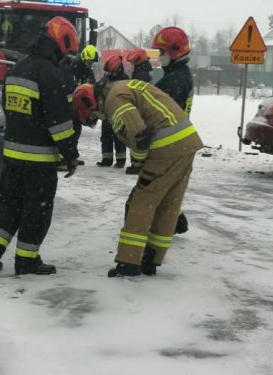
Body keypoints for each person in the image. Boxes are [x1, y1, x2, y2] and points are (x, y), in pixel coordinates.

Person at [0, 17, 80, 275]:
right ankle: (26, 260)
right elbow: (59, 123)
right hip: (40, 160)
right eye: (65, 54)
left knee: (11, 204)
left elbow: (8, 109)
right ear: (59, 46)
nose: (65, 59)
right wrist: (70, 154)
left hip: (12, 155)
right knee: (38, 210)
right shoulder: (52, 75)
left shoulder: (16, 70)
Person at [72, 79, 203, 277]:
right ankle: (151, 258)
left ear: (91, 101)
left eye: (94, 115)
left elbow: (139, 136)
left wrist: (140, 165)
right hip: (186, 142)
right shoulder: (123, 87)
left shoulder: (113, 99)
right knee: (169, 202)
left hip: (166, 146)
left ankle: (129, 262)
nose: (98, 117)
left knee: (141, 201)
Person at [152, 26, 194, 235]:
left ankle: (172, 221)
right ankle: (176, 219)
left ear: (174, 50)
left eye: (162, 52)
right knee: (167, 187)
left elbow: (163, 113)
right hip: (176, 141)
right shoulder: (176, 75)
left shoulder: (175, 80)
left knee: (157, 186)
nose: (159, 57)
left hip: (170, 142)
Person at [96, 54, 128, 168]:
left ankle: (120, 160)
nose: (109, 73)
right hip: (107, 112)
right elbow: (98, 89)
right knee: (106, 136)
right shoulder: (107, 79)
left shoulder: (124, 80)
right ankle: (106, 159)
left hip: (119, 113)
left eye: (110, 71)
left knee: (119, 137)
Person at [125, 49, 153, 174]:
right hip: (142, 109)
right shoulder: (143, 73)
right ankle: (138, 163)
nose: (131, 66)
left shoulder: (141, 76)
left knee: (137, 136)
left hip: (140, 109)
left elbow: (138, 94)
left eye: (133, 64)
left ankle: (138, 164)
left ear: (138, 62)